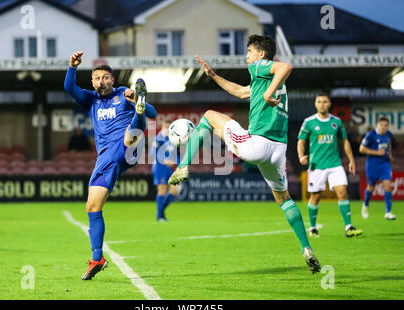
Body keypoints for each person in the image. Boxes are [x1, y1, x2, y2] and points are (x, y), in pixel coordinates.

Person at [168, 35, 321, 274]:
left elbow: (287, 66)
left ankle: (183, 165)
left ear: (261, 55)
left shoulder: (259, 67)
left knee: (208, 115)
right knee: (284, 199)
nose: (247, 56)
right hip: (278, 150)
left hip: (256, 143)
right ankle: (306, 248)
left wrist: (269, 92)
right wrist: (214, 76)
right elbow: (240, 93)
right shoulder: (270, 80)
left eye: (250, 51)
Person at [64, 51, 157, 280]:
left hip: (129, 146)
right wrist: (72, 67)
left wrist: (135, 99)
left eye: (105, 77)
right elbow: (69, 88)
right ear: (93, 82)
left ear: (112, 80)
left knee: (129, 136)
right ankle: (97, 258)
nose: (101, 82)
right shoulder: (91, 99)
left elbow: (154, 113)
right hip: (107, 158)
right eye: (97, 79)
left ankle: (138, 113)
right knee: (92, 207)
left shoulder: (123, 93)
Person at [297, 93, 362, 238]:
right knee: (315, 197)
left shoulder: (337, 122)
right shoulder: (309, 122)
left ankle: (348, 227)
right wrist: (301, 156)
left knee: (342, 192)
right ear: (315, 104)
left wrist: (351, 159)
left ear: (329, 104)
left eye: (324, 102)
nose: (322, 104)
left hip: (335, 164)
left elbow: (344, 141)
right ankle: (313, 228)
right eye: (319, 102)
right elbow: (301, 141)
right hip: (316, 166)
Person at [359, 116, 396, 220]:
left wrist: (390, 154)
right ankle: (365, 205)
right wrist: (376, 152)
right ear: (377, 125)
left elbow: (389, 145)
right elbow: (361, 149)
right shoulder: (371, 135)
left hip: (385, 163)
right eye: (381, 125)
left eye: (385, 125)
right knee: (371, 187)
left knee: (388, 185)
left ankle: (388, 212)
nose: (383, 127)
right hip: (372, 164)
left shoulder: (389, 135)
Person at [151, 119, 180, 222]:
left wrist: (180, 165)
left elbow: (175, 155)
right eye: (165, 127)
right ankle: (160, 216)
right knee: (162, 191)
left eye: (169, 127)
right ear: (162, 126)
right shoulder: (158, 138)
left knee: (174, 190)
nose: (167, 129)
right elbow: (153, 153)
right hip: (160, 167)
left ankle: (161, 210)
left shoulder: (172, 139)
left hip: (170, 168)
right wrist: (164, 161)